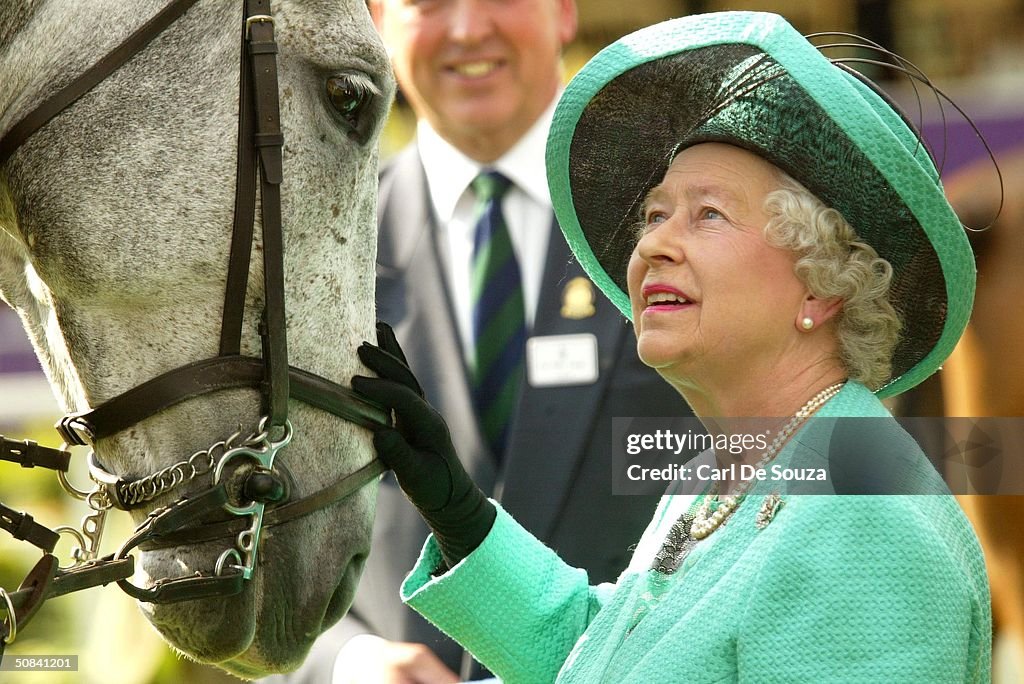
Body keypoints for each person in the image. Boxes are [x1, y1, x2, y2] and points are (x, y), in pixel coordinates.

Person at [350, 11, 992, 682]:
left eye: (707, 214)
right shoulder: (727, 473)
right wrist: (463, 519)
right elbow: (607, 659)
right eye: (656, 215)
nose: (652, 243)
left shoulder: (864, 524)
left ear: (821, 287)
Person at [273, 0, 688, 681]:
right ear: (378, 22)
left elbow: (821, 465)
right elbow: (259, 541)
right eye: (428, 2)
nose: (467, 28)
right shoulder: (310, 252)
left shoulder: (689, 225)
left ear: (563, 11)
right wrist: (345, 662)